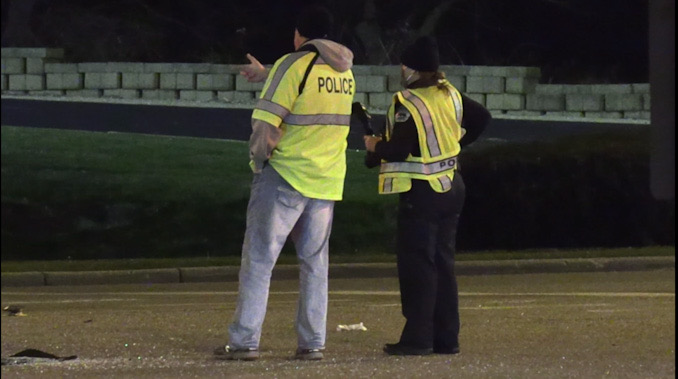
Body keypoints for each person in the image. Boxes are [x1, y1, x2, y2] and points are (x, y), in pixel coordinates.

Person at [214, 5, 355, 361]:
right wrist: (268, 73)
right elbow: (310, 98)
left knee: (260, 260)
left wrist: (260, 160)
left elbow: (265, 125)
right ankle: (313, 342)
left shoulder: (293, 64)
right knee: (314, 264)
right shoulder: (345, 72)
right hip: (326, 180)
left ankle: (245, 341)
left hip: (287, 176)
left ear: (299, 34)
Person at [363, 36, 491, 356]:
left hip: (421, 192)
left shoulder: (409, 102)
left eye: (403, 66)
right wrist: (457, 143)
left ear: (411, 69)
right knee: (443, 264)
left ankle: (418, 338)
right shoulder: (449, 94)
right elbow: (482, 118)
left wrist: (373, 146)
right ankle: (447, 338)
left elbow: (399, 149)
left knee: (418, 265)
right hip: (452, 185)